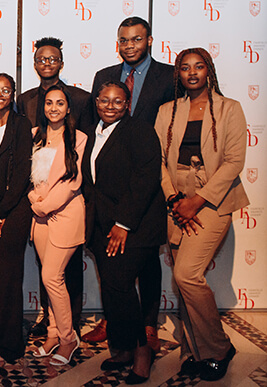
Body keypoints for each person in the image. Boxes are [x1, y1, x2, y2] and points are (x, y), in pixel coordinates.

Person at [154, 48, 248, 382]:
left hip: (213, 199)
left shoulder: (230, 108)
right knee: (184, 282)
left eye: (199, 66)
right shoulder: (167, 110)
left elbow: (234, 161)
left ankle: (219, 348)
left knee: (186, 275)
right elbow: (159, 161)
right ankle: (197, 351)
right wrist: (174, 198)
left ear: (209, 70)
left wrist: (197, 201)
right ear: (177, 74)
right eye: (184, 68)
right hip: (175, 198)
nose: (192, 73)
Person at [84, 16, 175, 350]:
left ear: (149, 41)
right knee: (114, 279)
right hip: (109, 188)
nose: (130, 45)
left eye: (137, 39)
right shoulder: (105, 77)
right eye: (124, 40)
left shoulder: (167, 76)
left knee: (145, 264)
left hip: (146, 186)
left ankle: (146, 328)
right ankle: (117, 328)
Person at [81, 81, 166, 384]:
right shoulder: (93, 132)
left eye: (118, 102)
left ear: (128, 104)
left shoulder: (139, 131)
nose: (110, 106)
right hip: (103, 227)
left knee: (120, 285)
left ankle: (143, 352)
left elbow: (145, 179)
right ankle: (125, 348)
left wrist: (123, 224)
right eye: (105, 100)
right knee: (113, 290)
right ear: (97, 102)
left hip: (135, 227)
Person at [16, 36, 89, 339]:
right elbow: (27, 165)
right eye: (41, 59)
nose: (47, 63)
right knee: (48, 273)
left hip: (63, 207)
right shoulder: (26, 101)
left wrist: (44, 204)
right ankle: (52, 325)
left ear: (61, 61)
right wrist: (35, 199)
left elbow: (75, 173)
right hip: (39, 208)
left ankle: (69, 328)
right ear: (34, 64)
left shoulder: (82, 101)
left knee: (63, 273)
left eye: (53, 58)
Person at [28, 84, 87, 366]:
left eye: (60, 103)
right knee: (48, 279)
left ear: (68, 107)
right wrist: (33, 198)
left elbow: (72, 182)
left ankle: (68, 339)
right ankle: (52, 333)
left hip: (64, 213)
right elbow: (29, 177)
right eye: (49, 103)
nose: (53, 108)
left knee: (53, 276)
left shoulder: (78, 137)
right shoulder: (35, 136)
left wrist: (43, 204)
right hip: (39, 215)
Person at [0, 74, 32, 363]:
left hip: (13, 211)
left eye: (6, 90)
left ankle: (10, 346)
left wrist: (1, 210)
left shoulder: (21, 125)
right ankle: (2, 331)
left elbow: (23, 172)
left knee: (8, 279)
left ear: (13, 94)